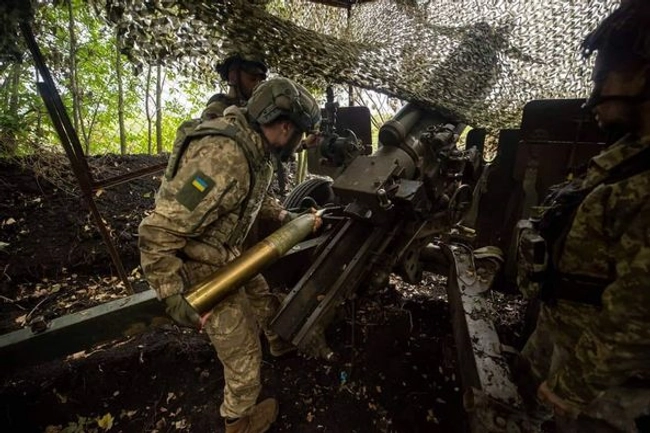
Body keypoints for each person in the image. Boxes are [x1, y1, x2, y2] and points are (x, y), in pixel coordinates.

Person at [138, 77, 322, 433]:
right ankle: (239, 420)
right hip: (198, 267)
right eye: (299, 135)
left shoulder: (255, 149)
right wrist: (172, 294)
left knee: (261, 296)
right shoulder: (224, 157)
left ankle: (278, 341)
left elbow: (247, 197)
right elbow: (158, 229)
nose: (299, 142)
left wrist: (285, 216)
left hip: (224, 253)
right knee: (243, 355)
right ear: (285, 127)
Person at [515, 1, 650, 432]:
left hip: (604, 386)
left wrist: (572, 388)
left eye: (602, 79)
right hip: (563, 334)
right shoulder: (627, 157)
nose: (592, 98)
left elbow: (637, 316)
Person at [200, 51, 268, 121]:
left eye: (260, 81)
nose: (257, 84)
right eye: (252, 79)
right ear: (233, 77)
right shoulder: (217, 107)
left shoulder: (257, 106)